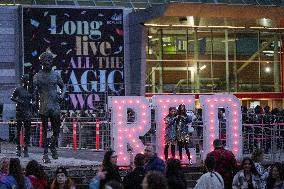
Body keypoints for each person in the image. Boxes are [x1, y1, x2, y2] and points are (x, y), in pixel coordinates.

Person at [33, 51, 66, 163]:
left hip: (55, 105)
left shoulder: (56, 75)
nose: (47, 62)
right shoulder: (37, 76)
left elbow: (63, 86)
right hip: (43, 105)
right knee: (45, 131)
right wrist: (34, 101)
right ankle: (45, 153)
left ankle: (52, 146)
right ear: (41, 62)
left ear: (52, 62)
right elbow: (34, 91)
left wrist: (62, 95)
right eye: (45, 60)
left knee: (56, 130)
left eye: (49, 60)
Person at [11, 74, 34, 157]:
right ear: (22, 81)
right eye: (24, 80)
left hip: (27, 112)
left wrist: (33, 104)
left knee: (27, 131)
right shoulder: (18, 89)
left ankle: (26, 148)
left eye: (27, 80)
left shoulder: (30, 90)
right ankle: (18, 148)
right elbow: (12, 97)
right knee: (18, 130)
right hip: (20, 112)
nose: (26, 81)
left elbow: (34, 100)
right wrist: (19, 101)